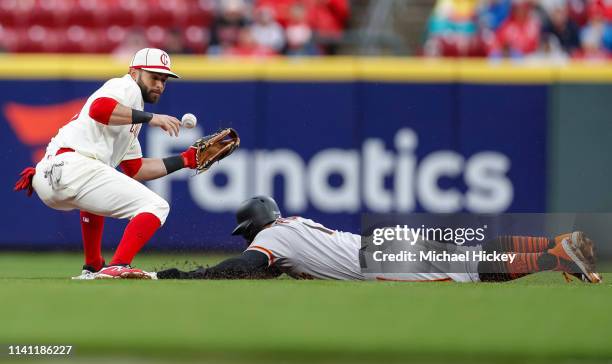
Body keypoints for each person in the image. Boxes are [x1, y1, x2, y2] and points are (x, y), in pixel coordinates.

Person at [14, 48, 207, 280]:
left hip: (50, 177)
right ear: (134, 72)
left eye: (164, 80)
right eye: (153, 77)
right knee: (157, 206)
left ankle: (93, 266)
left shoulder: (130, 117)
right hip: (72, 166)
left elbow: (136, 169)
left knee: (97, 194)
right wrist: (153, 118)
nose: (159, 84)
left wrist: (186, 160)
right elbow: (99, 109)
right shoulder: (125, 87)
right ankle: (119, 265)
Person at [157, 196, 602, 284]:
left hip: (380, 258)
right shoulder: (292, 226)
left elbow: (245, 267)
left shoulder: (274, 238)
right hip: (381, 242)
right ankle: (556, 242)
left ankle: (557, 258)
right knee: (475, 254)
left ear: (254, 226)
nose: (248, 239)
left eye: (246, 232)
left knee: (474, 269)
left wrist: (185, 276)